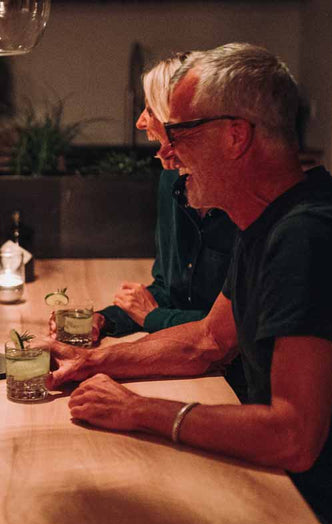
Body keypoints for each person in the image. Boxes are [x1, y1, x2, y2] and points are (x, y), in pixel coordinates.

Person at [45, 43, 332, 524]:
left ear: (235, 136)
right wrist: (94, 360)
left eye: (181, 131)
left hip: (312, 509)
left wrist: (138, 411)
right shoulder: (269, 219)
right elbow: (208, 339)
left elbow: (294, 436)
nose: (166, 150)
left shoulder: (308, 235)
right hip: (274, 481)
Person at [96, 53, 237, 339]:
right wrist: (103, 320)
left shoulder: (246, 200)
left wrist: (153, 317)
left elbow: (231, 330)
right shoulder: (172, 179)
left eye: (149, 109)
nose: (139, 122)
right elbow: (168, 290)